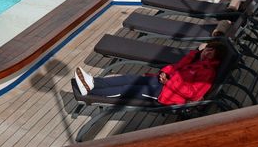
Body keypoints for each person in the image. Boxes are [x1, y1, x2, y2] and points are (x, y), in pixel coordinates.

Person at [73, 41, 227, 104]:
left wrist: (169, 81)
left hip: (167, 94)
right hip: (163, 82)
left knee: (129, 90)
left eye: (212, 52)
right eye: (208, 49)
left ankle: (90, 92)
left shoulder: (208, 73)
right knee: (130, 78)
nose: (208, 53)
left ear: (216, 57)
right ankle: (94, 82)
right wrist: (165, 73)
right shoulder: (196, 61)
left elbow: (193, 94)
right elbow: (177, 66)